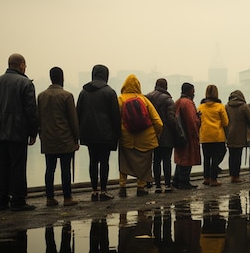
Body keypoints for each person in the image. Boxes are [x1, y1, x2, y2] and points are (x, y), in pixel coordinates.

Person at [0, 53, 39, 211]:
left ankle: (1, 201)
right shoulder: (26, 83)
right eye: (25, 65)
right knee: (17, 166)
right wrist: (33, 132)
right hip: (18, 133)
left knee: (1, 167)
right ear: (21, 65)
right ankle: (18, 201)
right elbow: (31, 111)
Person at [77, 64, 120, 202]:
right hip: (105, 134)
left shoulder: (83, 92)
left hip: (88, 133)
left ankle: (94, 190)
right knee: (104, 162)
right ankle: (103, 190)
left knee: (93, 161)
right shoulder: (109, 92)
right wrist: (117, 134)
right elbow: (115, 116)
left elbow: (78, 113)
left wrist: (79, 133)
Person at [37, 67, 79, 207]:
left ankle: (50, 198)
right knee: (65, 169)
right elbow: (73, 120)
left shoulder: (41, 96)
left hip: (48, 138)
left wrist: (40, 134)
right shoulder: (67, 96)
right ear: (62, 78)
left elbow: (38, 118)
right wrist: (76, 138)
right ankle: (67, 198)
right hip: (65, 139)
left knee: (50, 169)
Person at [117, 74, 163, 197]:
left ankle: (122, 187)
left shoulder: (120, 99)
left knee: (124, 163)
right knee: (143, 164)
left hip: (126, 138)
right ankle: (140, 187)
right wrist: (156, 135)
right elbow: (158, 122)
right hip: (145, 138)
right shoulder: (144, 100)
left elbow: (115, 120)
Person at [146, 78, 177, 193]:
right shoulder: (168, 100)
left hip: (152, 133)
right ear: (166, 87)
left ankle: (157, 185)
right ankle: (168, 184)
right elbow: (171, 119)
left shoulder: (147, 98)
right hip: (167, 134)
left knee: (156, 160)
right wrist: (176, 131)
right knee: (167, 160)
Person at [198, 84, 229, 186]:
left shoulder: (201, 107)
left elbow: (198, 121)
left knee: (207, 157)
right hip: (217, 136)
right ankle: (214, 178)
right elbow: (225, 122)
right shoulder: (220, 107)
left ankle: (206, 178)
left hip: (204, 136)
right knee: (219, 154)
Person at [172, 82, 201, 189]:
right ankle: (184, 182)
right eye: (193, 91)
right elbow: (192, 120)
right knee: (187, 159)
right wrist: (196, 130)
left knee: (180, 159)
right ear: (189, 91)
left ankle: (176, 180)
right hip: (188, 135)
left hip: (179, 135)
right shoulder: (188, 103)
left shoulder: (178, 102)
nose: (194, 93)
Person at [225, 90, 250, 183]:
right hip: (240, 134)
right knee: (238, 155)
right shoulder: (244, 107)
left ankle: (232, 175)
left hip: (229, 134)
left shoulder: (226, 107)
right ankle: (236, 176)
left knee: (231, 155)